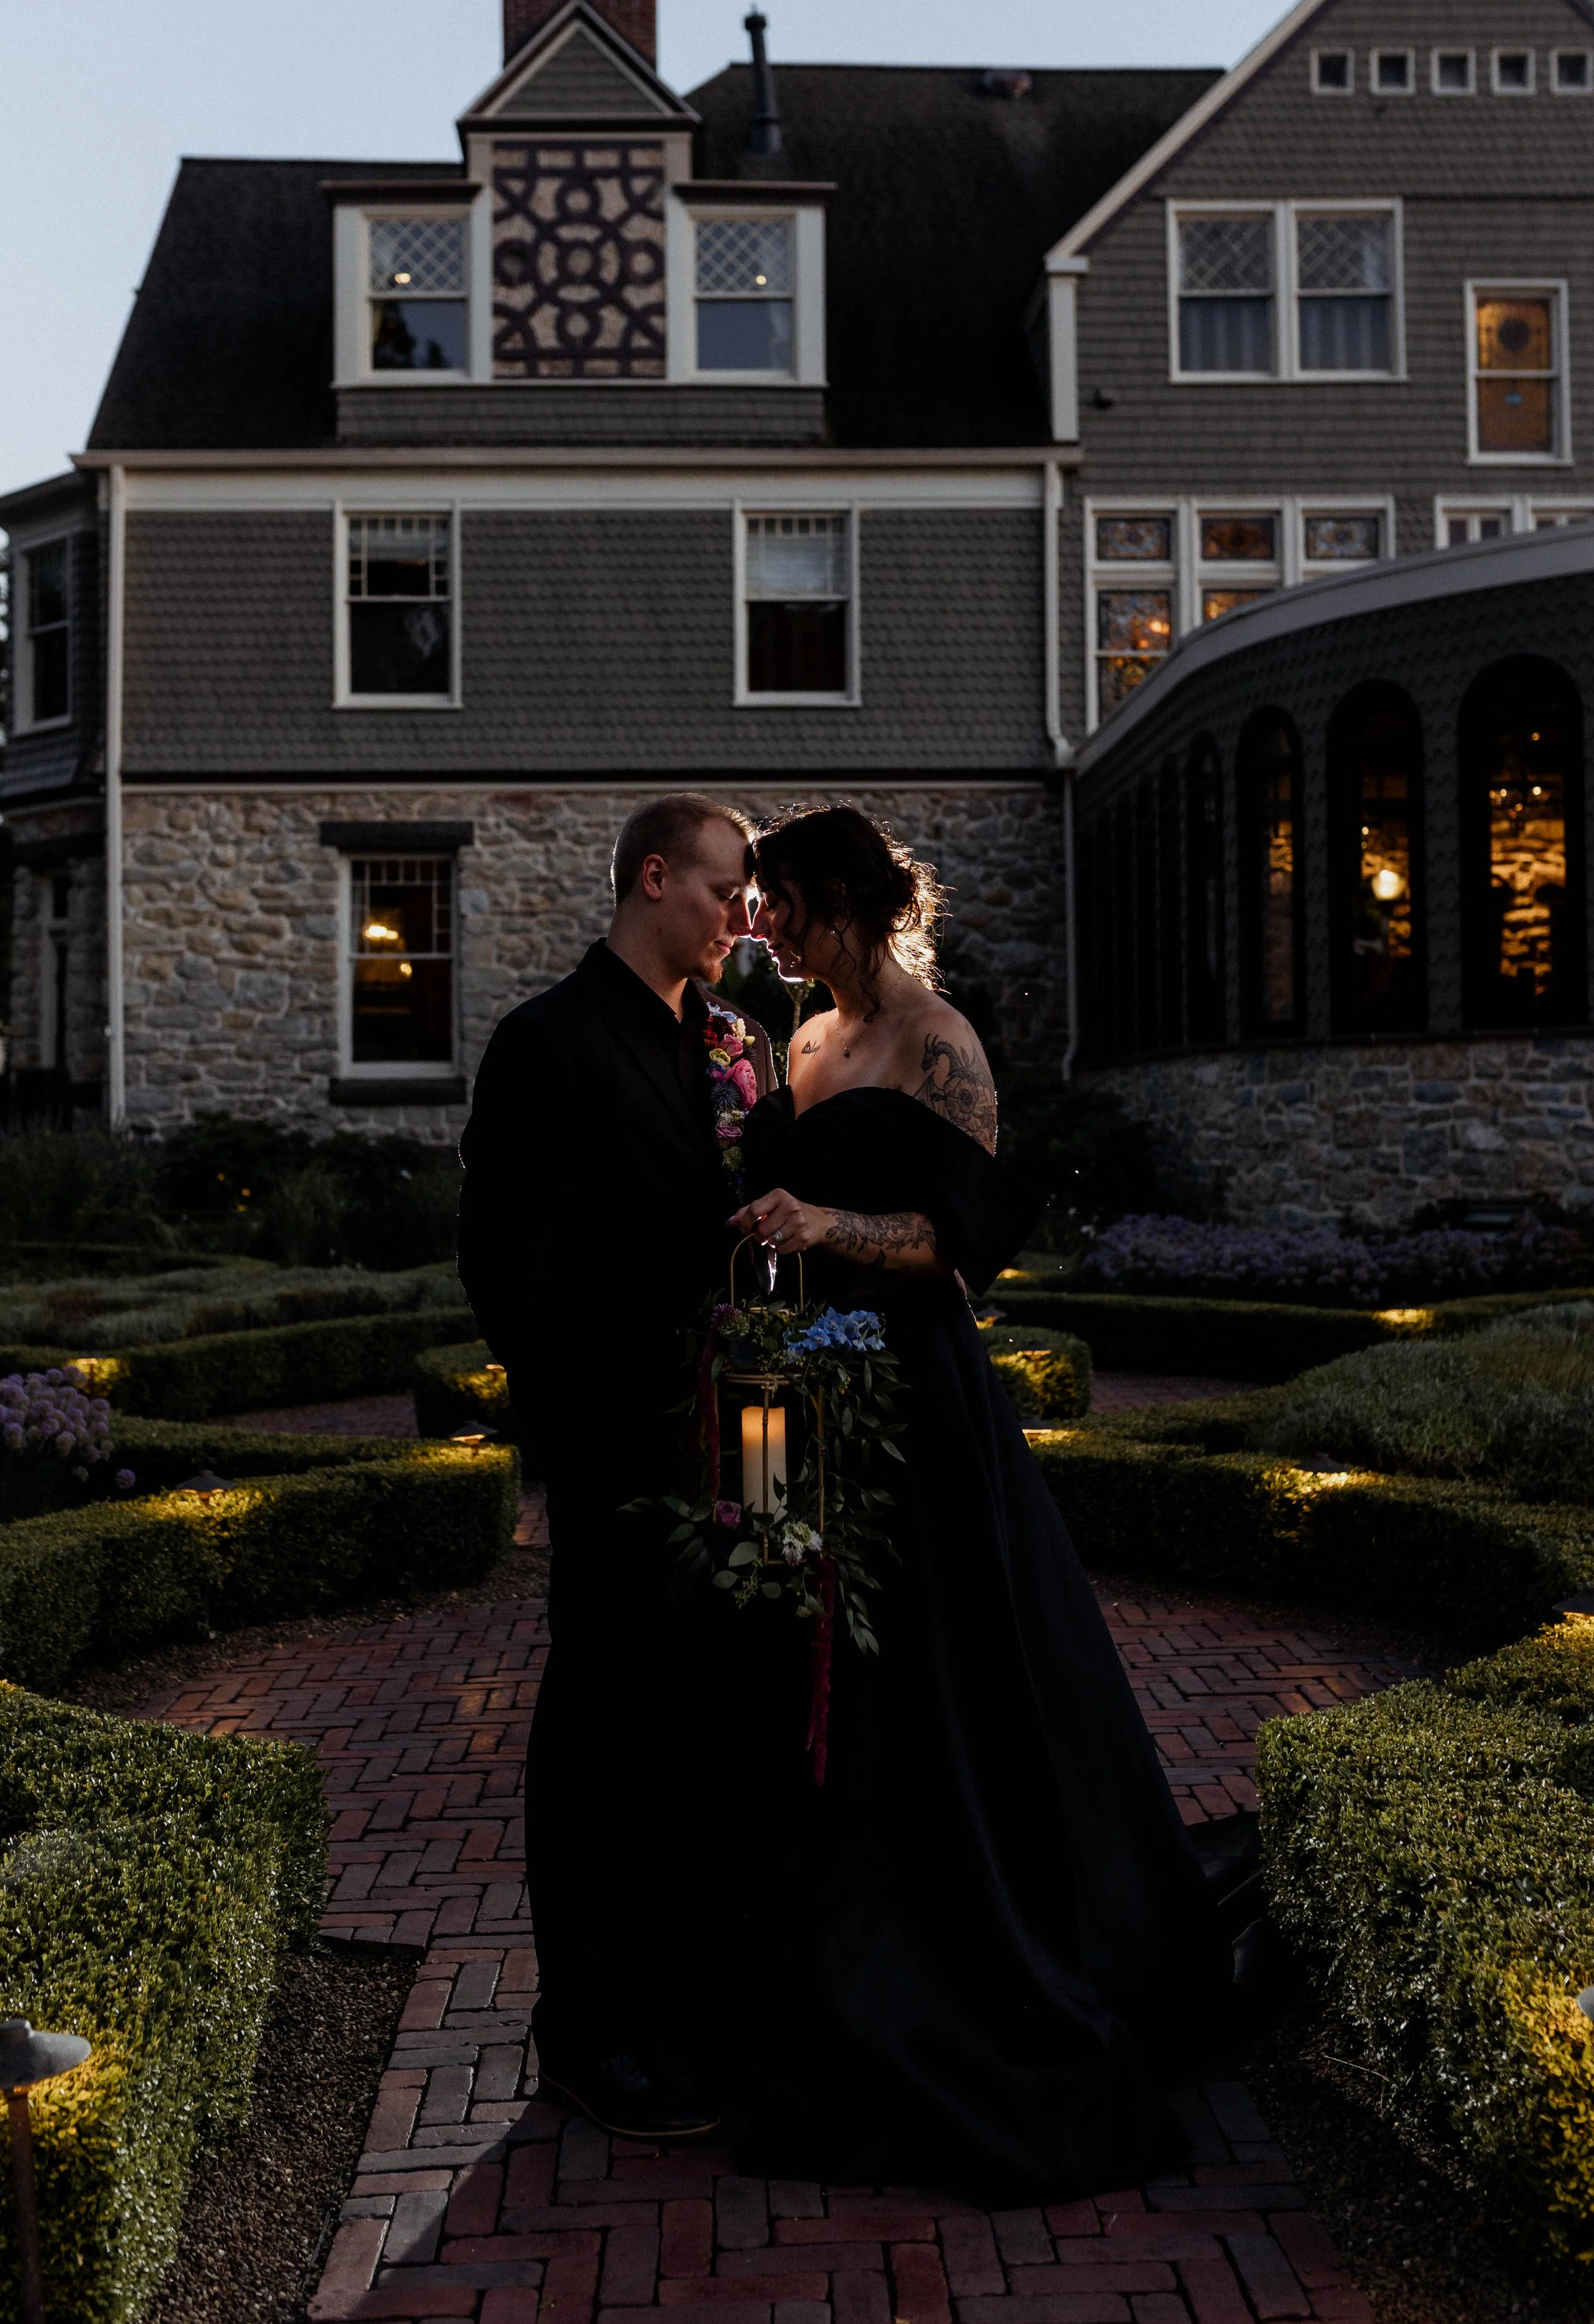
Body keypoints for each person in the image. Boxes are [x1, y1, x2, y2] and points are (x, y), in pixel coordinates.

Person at [724, 802, 1232, 2202]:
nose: (759, 923)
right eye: (753, 901)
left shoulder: (938, 1044)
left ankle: (953, 1949)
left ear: (842, 904)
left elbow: (962, 1249)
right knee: (786, 1630)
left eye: (779, 902)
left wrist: (822, 1224)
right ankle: (810, 1948)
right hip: (782, 1390)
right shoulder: (798, 1042)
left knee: (929, 1667)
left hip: (908, 1395)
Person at [457, 793, 775, 2140]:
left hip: (744, 1438)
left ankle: (685, 1994)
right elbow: (506, 1265)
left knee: (709, 1720)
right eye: (720, 890)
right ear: (653, 877)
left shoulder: (734, 1042)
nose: (738, 915)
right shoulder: (547, 1041)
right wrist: (599, 1424)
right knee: (601, 1726)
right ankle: (585, 2028)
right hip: (617, 1446)